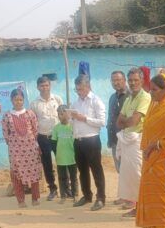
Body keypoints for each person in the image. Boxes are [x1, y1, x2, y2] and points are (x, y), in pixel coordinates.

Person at [136, 74, 165, 228]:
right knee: (153, 195)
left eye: (155, 90)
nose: (151, 93)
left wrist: (154, 145)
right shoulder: (156, 107)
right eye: (151, 89)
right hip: (151, 158)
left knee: (163, 197)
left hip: (162, 161)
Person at [116, 68, 152, 217]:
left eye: (136, 80)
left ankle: (142, 208)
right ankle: (136, 206)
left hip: (138, 140)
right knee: (129, 176)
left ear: (142, 81)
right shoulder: (129, 98)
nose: (133, 83)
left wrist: (127, 121)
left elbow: (134, 121)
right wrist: (127, 121)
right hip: (128, 140)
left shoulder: (145, 97)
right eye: (130, 80)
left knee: (138, 175)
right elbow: (118, 122)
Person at [69, 74, 106, 211]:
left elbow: (102, 122)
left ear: (88, 86)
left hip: (92, 140)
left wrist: (84, 118)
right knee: (82, 170)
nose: (79, 92)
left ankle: (101, 198)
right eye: (77, 89)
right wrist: (70, 117)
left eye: (81, 89)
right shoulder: (75, 103)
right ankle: (87, 195)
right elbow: (73, 121)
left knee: (96, 170)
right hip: (78, 140)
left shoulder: (96, 101)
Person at [2, 89, 42, 208]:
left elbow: (35, 129)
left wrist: (31, 142)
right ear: (11, 100)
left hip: (31, 149)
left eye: (20, 100)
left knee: (34, 172)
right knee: (16, 174)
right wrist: (15, 144)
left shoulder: (30, 113)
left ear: (23, 100)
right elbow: (6, 133)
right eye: (16, 100)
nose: (18, 102)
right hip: (15, 151)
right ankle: (21, 200)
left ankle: (35, 198)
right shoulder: (7, 116)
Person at [30, 76, 63, 201]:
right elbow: (32, 123)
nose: (44, 88)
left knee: (62, 161)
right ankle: (52, 189)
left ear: (50, 86)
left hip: (58, 137)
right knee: (47, 164)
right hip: (43, 138)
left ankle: (65, 188)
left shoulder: (58, 99)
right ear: (37, 87)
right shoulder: (34, 104)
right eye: (42, 86)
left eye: (46, 85)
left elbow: (64, 116)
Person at [52, 105, 78, 204]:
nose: (60, 116)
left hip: (72, 157)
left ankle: (75, 195)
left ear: (68, 114)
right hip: (61, 158)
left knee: (73, 177)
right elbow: (54, 143)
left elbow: (76, 142)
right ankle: (63, 195)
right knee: (62, 177)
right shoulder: (56, 128)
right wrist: (57, 154)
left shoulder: (73, 127)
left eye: (62, 113)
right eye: (59, 114)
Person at [107, 71, 129, 174]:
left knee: (128, 172)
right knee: (119, 171)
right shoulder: (112, 97)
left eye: (118, 80)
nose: (116, 83)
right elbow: (111, 118)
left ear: (124, 80)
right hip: (114, 141)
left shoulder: (131, 96)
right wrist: (110, 139)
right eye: (113, 80)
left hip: (126, 142)